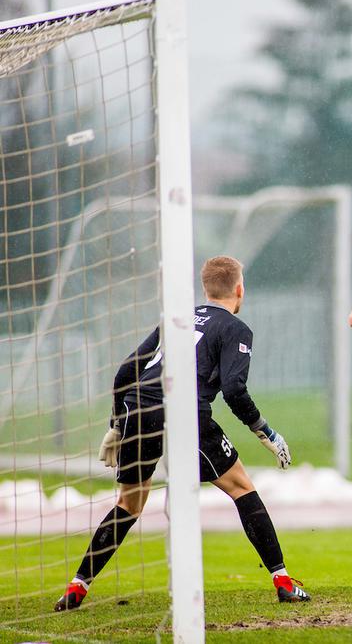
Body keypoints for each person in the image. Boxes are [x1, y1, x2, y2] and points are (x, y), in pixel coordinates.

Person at [55, 256, 309, 611]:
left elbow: (126, 370)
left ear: (205, 289)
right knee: (241, 487)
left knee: (129, 504)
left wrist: (116, 424)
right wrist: (264, 430)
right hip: (184, 410)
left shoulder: (175, 317)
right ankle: (283, 582)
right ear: (239, 289)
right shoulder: (236, 328)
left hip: (137, 406)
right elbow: (234, 389)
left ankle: (77, 587)